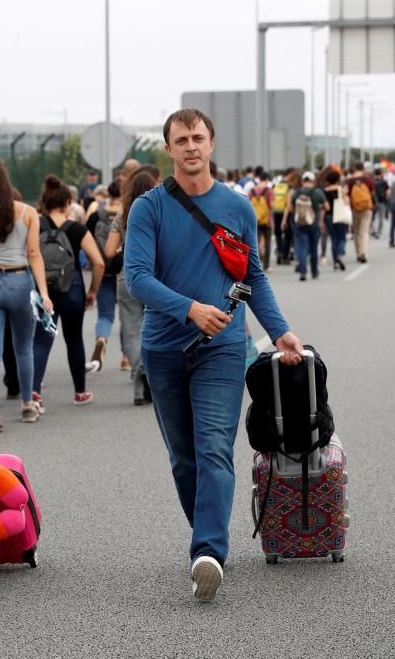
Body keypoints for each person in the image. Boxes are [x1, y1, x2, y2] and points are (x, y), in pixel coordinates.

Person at [125, 108, 304, 602]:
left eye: (198, 138)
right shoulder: (149, 208)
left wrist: (280, 331)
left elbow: (254, 278)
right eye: (181, 140)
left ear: (212, 143)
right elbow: (137, 277)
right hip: (163, 348)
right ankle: (206, 536)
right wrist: (189, 309)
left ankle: (207, 551)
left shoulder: (238, 207)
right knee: (184, 459)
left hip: (223, 348)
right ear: (168, 148)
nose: (191, 147)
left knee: (213, 450)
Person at [0, 158, 52, 432]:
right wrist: (43, 293)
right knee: (23, 347)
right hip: (20, 282)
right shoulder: (29, 214)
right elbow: (34, 254)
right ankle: (28, 404)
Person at [32, 175, 103, 408]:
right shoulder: (77, 229)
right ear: (68, 202)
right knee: (74, 340)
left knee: (42, 340)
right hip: (72, 288)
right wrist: (92, 290)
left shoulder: (36, 224)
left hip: (45, 290)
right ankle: (80, 392)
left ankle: (34, 391)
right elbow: (98, 263)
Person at [105, 167, 158, 404]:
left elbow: (108, 250)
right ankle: (153, 377)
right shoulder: (160, 210)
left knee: (132, 332)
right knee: (153, 328)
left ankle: (138, 388)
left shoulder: (122, 214)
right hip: (156, 277)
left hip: (126, 278)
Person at [85, 179, 125, 371]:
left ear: (108, 194)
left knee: (105, 315)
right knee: (129, 316)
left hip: (103, 269)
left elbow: (86, 241)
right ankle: (126, 357)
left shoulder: (96, 216)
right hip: (124, 269)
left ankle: (101, 339)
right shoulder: (128, 213)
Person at [285, 170, 326, 281]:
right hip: (314, 224)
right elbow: (327, 206)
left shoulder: (296, 193)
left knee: (301, 247)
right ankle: (314, 271)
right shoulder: (317, 192)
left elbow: (291, 208)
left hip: (299, 224)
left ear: (303, 181)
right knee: (313, 248)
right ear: (313, 181)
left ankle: (303, 271)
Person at [344, 161, 376, 263]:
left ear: (354, 169)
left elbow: (345, 194)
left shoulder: (349, 181)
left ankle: (358, 253)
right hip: (367, 208)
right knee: (364, 232)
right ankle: (364, 253)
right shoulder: (368, 180)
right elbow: (372, 193)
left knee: (356, 231)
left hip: (354, 208)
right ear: (363, 169)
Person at [248, 171, 274, 270]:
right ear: (267, 179)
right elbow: (271, 206)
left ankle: (256, 265)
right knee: (267, 243)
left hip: (255, 220)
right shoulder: (269, 190)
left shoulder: (252, 190)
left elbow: (249, 205)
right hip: (267, 221)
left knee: (255, 243)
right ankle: (266, 265)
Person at [323, 170, 348, 270]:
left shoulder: (324, 191)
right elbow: (346, 202)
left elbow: (324, 207)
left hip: (329, 216)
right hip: (340, 215)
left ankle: (335, 261)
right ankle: (340, 255)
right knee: (342, 237)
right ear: (338, 180)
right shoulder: (341, 190)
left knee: (334, 238)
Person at [372, 167, 389, 240]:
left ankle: (373, 230)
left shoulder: (371, 181)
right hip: (382, 201)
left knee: (371, 218)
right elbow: (388, 191)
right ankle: (379, 232)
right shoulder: (384, 182)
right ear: (381, 174)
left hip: (373, 201)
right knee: (381, 218)